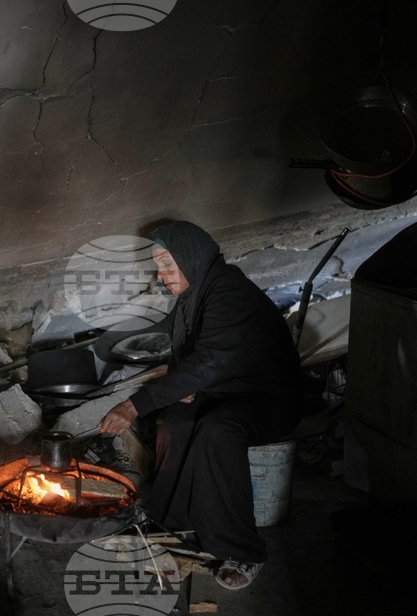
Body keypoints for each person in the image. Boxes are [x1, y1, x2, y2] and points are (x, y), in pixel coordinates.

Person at [100, 220, 304, 590]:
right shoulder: (198, 292)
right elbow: (191, 351)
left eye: (166, 264)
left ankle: (243, 550)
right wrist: (183, 380)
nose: (161, 276)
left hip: (271, 399)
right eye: (158, 267)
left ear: (191, 258)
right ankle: (170, 522)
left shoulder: (228, 292)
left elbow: (210, 362)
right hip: (228, 389)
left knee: (217, 431)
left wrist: (134, 405)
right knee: (175, 421)